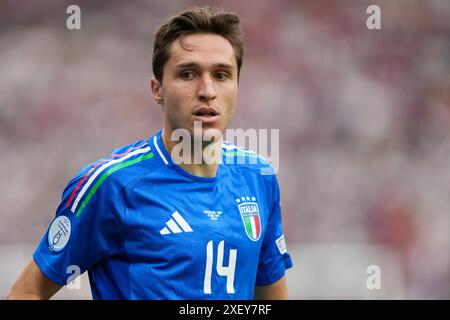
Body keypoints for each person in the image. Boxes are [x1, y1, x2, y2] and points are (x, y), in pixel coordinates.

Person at [8, 6, 293, 300]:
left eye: (221, 75)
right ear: (157, 89)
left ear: (236, 86)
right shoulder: (112, 185)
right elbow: (28, 292)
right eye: (188, 74)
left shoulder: (258, 177)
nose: (207, 90)